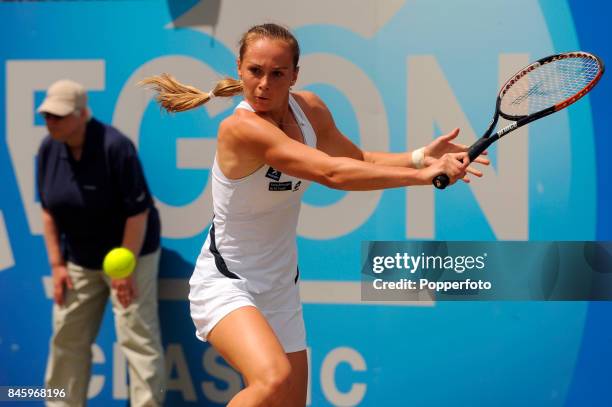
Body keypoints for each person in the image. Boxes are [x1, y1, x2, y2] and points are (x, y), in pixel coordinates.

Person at [141, 23, 489, 407]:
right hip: (226, 283)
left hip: (280, 286)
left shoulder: (310, 110)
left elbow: (357, 161)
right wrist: (422, 177)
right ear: (239, 67)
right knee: (272, 380)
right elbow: (331, 173)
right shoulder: (240, 129)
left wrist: (421, 157)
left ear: (294, 75)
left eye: (277, 74)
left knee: (290, 402)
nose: (263, 84)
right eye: (255, 71)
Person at [36, 79, 165, 406]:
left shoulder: (115, 146)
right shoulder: (48, 150)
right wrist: (57, 264)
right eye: (47, 116)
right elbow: (48, 211)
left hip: (130, 253)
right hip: (78, 258)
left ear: (82, 114)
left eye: (59, 116)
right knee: (67, 339)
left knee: (137, 339)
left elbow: (138, 214)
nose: (51, 122)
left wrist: (125, 268)